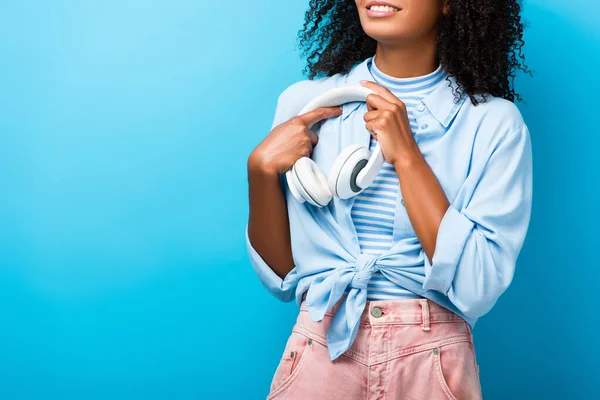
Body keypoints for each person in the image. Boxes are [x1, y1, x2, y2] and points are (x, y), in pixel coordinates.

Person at [246, 0, 533, 398]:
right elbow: (284, 280)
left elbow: (475, 286)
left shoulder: (493, 124)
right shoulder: (304, 105)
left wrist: (407, 156)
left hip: (430, 357)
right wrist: (259, 172)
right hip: (320, 344)